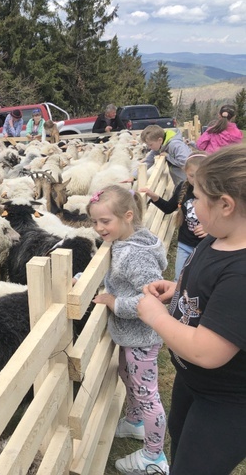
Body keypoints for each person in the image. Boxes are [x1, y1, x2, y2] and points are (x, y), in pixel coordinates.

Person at [139, 145, 246, 475]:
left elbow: (207, 351)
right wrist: (177, 294)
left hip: (227, 401)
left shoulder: (242, 273)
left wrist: (155, 316)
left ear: (225, 205)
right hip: (193, 383)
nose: (192, 205)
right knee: (181, 443)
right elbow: (206, 292)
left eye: (197, 197)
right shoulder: (215, 238)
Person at [86, 185, 169, 474]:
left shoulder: (135, 255)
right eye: (94, 222)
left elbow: (153, 297)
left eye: (105, 221)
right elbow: (119, 279)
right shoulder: (125, 243)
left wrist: (115, 303)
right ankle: (134, 422)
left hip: (143, 337)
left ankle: (154, 456)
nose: (99, 228)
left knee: (148, 394)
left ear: (128, 216)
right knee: (126, 373)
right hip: (131, 336)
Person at [140, 152, 208, 281]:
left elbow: (225, 219)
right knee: (179, 279)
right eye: (191, 176)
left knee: (202, 280)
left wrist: (209, 229)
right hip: (185, 244)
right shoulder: (182, 188)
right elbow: (168, 208)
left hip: (207, 246)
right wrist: (153, 196)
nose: (196, 180)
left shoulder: (215, 192)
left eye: (201, 176)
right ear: (185, 172)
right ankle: (177, 301)